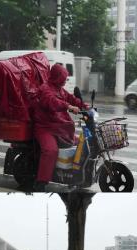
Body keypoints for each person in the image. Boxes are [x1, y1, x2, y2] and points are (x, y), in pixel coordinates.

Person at [32, 64, 88, 192]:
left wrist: (84, 105)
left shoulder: (60, 89)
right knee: (51, 151)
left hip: (59, 127)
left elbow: (71, 98)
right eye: (63, 77)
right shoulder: (45, 89)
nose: (64, 80)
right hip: (44, 127)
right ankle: (41, 182)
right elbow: (51, 102)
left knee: (82, 143)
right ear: (57, 77)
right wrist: (68, 106)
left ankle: (74, 176)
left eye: (65, 77)